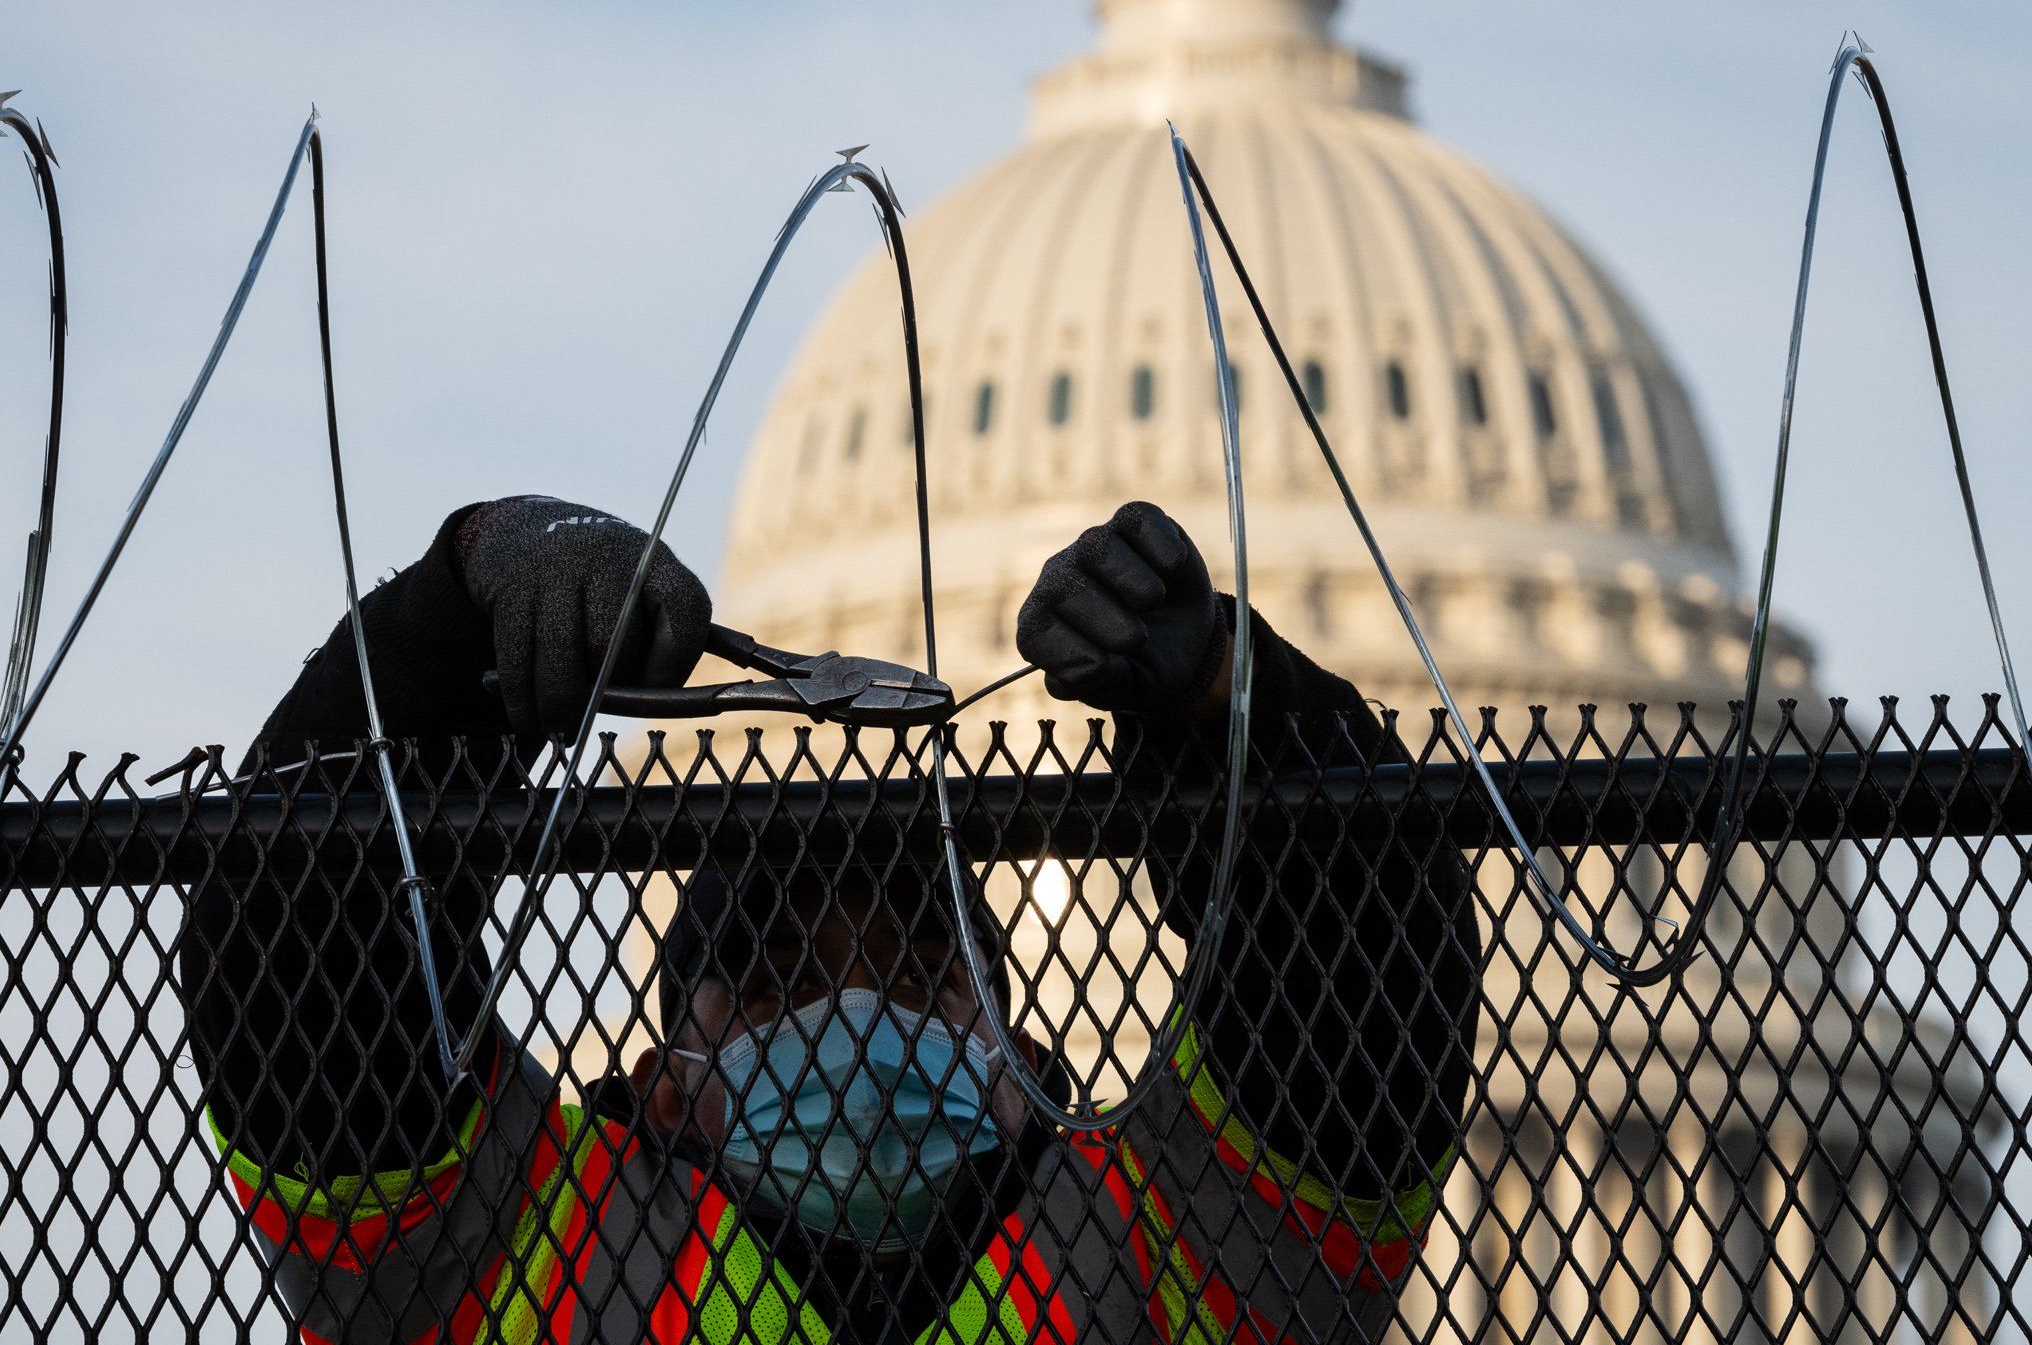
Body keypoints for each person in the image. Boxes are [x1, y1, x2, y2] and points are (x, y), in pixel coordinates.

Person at [178, 494, 1480, 1344]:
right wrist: (458, 613)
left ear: (1028, 1066)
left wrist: (1221, 697)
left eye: (924, 969)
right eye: (773, 976)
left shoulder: (1174, 1235)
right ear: (664, 1080)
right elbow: (301, 950)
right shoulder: (521, 1241)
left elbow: (1359, 979)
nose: (854, 1017)